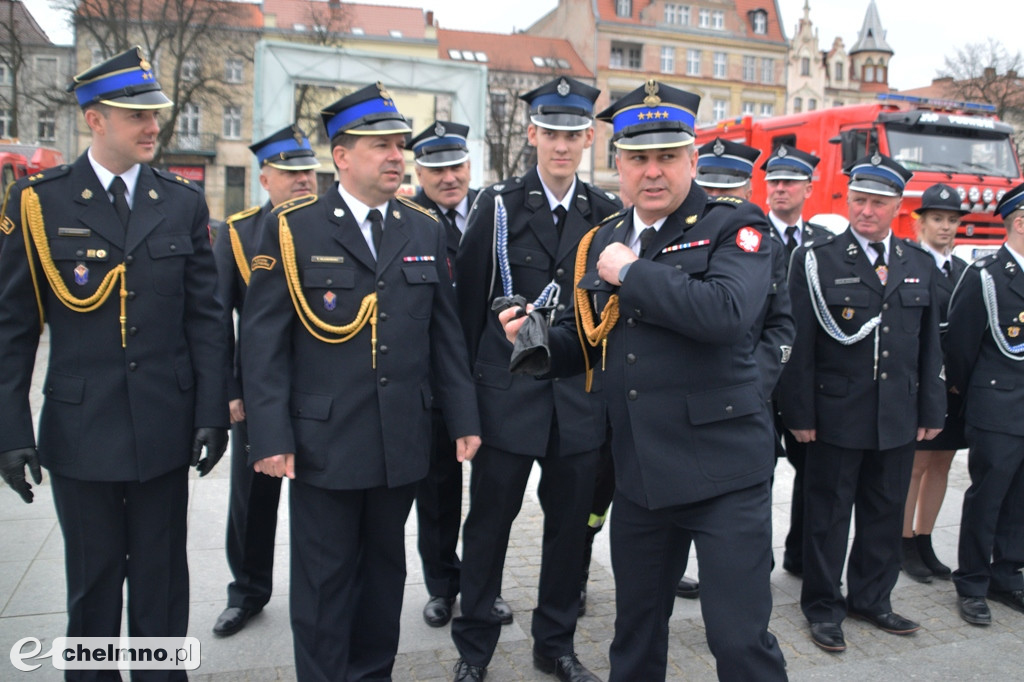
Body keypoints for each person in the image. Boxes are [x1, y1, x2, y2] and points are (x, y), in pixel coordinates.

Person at [502, 79, 788, 682]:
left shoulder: (736, 225)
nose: (651, 172)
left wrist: (632, 273)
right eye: (637, 158)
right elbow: (588, 335)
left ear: (692, 159)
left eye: (666, 156)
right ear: (618, 163)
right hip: (640, 474)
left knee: (738, 642)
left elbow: (727, 312)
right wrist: (531, 340)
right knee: (633, 640)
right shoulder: (603, 238)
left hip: (723, 473)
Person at [240, 82, 481, 681]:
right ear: (341, 156)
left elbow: (444, 335)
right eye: (381, 146)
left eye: (399, 144)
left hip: (401, 438)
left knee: (383, 577)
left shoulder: (422, 228)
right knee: (324, 581)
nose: (397, 156)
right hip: (323, 442)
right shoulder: (294, 227)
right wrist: (270, 435)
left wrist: (464, 419)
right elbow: (264, 342)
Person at [0, 46, 228, 679]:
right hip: (81, 430)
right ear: (95, 119)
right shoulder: (39, 203)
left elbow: (205, 320)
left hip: (162, 426)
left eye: (154, 111)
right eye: (136, 114)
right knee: (93, 587)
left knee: (161, 584)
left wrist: (212, 413)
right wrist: (10, 431)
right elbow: (12, 329)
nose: (153, 124)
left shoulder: (180, 202)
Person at [451, 76, 621, 682]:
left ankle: (555, 646)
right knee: (489, 528)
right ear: (532, 135)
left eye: (573, 134)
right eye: (551, 133)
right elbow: (467, 310)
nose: (562, 145)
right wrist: (465, 409)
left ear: (587, 139)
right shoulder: (497, 207)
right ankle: (474, 650)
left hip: (577, 401)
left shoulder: (605, 214)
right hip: (506, 400)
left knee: (569, 534)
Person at [781, 153, 945, 653]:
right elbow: (799, 342)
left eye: (877, 202)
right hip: (835, 415)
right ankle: (824, 606)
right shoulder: (818, 258)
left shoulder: (917, 263)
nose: (866, 211)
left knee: (884, 512)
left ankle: (872, 598)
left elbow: (928, 346)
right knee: (828, 517)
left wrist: (931, 411)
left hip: (897, 415)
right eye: (858, 200)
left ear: (899, 205)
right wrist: (800, 416)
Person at [671, 137, 796, 601]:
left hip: (744, 405)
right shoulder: (678, 236)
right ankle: (679, 571)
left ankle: (740, 580)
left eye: (733, 190)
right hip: (684, 402)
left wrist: (754, 383)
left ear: (747, 189)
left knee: (744, 519)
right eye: (710, 188)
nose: (723, 200)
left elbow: (782, 326)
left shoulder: (763, 241)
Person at [212, 124, 319, 637]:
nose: (303, 181)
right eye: (291, 173)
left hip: (322, 391)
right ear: (265, 177)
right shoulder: (239, 231)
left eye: (309, 172)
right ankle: (248, 591)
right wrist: (231, 388)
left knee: (324, 502)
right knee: (253, 500)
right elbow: (219, 319)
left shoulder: (331, 223)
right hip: (260, 391)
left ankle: (323, 591)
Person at [407, 120, 513, 628]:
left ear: (469, 167)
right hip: (434, 383)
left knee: (494, 495)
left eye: (456, 166)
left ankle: (482, 587)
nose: (448, 177)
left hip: (493, 374)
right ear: (419, 172)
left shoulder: (498, 215)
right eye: (435, 168)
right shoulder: (408, 221)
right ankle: (442, 585)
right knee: (439, 490)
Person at [947, 182, 1024, 626]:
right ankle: (973, 581)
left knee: (1021, 499)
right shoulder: (987, 275)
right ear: (1019, 222)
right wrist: (975, 395)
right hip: (997, 406)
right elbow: (959, 348)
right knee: (988, 496)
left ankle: (1007, 573)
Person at [760, 143, 832, 577]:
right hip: (765, 378)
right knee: (757, 476)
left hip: (809, 379)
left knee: (814, 474)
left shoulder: (824, 242)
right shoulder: (747, 236)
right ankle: (756, 559)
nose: (780, 189)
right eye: (773, 182)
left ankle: (801, 555)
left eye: (789, 182)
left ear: (809, 186)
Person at [900, 183, 969, 584]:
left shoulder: (961, 269)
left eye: (952, 220)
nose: (946, 227)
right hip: (926, 383)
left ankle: (924, 538)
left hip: (955, 386)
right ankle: (903, 538)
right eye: (938, 219)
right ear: (921, 223)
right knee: (916, 465)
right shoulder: (911, 264)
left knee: (943, 462)